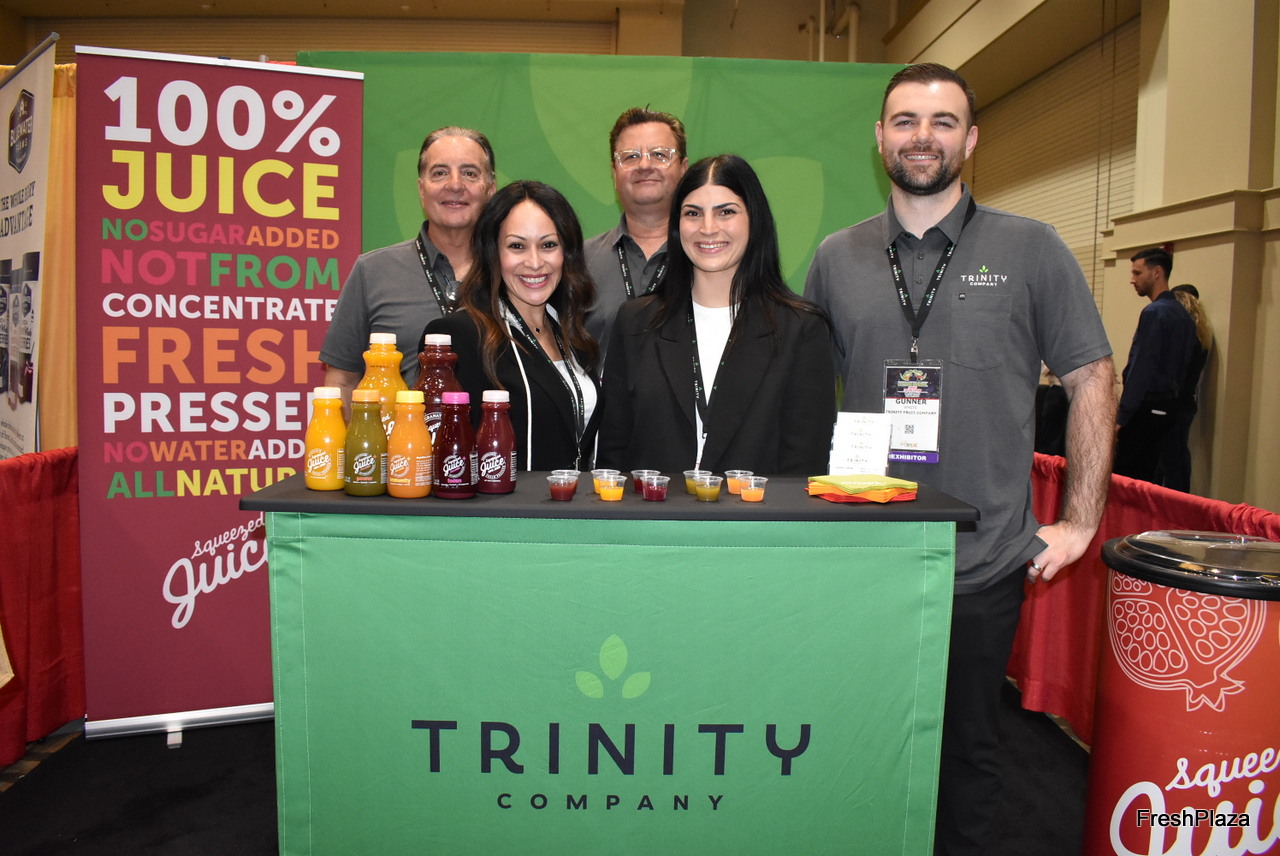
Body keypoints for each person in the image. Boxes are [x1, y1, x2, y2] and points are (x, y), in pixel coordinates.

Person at [803, 63, 1115, 856]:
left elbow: (1092, 375)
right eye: (906, 120)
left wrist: (1081, 522)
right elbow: (803, 397)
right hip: (862, 556)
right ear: (879, 137)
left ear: (971, 139)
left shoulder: (1031, 247)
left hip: (981, 560)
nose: (923, 136)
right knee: (859, 741)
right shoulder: (836, 258)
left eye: (942, 121)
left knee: (969, 753)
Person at [598, 153, 836, 475]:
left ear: (754, 219)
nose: (708, 228)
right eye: (693, 213)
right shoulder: (636, 323)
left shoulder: (800, 329)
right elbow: (613, 459)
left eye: (726, 212)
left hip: (758, 509)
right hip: (650, 507)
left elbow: (803, 467)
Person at [424, 181, 600, 472]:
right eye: (517, 246)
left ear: (567, 253)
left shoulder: (575, 338)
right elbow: (447, 459)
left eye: (548, 245)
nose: (535, 262)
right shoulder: (459, 336)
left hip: (572, 498)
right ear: (493, 253)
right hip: (503, 501)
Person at [320, 127, 497, 400]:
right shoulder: (373, 271)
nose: (455, 184)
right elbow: (342, 382)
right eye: (439, 173)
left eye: (470, 173)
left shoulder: (514, 274)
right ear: (421, 189)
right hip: (397, 429)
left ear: (490, 189)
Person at [583, 107, 689, 358]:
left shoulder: (709, 257)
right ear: (614, 172)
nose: (644, 165)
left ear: (684, 169)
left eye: (659, 155)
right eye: (630, 156)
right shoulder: (579, 261)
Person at [1114, 248, 1199, 485]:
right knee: (1157, 481)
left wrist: (1122, 416)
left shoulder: (1155, 313)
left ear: (1157, 272)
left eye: (1137, 272)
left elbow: (1142, 368)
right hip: (1170, 408)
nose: (1132, 279)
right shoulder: (1184, 315)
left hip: (1147, 409)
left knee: (1128, 482)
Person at [1160, 283, 1212, 491]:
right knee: (1179, 455)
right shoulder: (1202, 335)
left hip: (1171, 402)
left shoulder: (1182, 336)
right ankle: (1181, 499)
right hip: (1188, 401)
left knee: (1168, 460)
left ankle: (1172, 502)